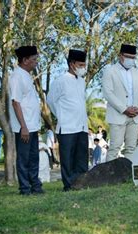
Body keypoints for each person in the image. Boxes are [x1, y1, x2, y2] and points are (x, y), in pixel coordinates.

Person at [47, 49, 89, 191]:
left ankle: (82, 183)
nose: (83, 68)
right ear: (72, 64)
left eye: (84, 64)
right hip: (67, 127)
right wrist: (62, 115)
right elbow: (51, 101)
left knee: (82, 157)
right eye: (81, 65)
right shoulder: (61, 81)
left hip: (82, 127)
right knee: (68, 159)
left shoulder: (82, 81)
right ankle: (69, 185)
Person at [102, 44, 138, 161]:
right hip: (118, 115)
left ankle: (128, 176)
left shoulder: (137, 72)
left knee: (131, 148)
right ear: (120, 56)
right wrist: (124, 109)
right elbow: (108, 93)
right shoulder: (110, 71)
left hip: (135, 116)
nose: (131, 60)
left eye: (133, 57)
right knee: (114, 147)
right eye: (128, 57)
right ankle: (110, 177)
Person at [8, 45, 43, 195]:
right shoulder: (16, 76)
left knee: (34, 158)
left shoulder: (26, 75)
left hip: (33, 125)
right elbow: (15, 102)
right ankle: (25, 189)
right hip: (24, 127)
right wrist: (23, 127)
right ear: (25, 60)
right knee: (24, 160)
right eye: (34, 59)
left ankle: (35, 186)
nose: (36, 62)